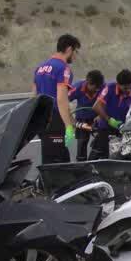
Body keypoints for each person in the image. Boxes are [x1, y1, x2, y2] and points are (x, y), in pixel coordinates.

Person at [33, 34, 80, 164]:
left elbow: (33, 96)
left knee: (52, 157)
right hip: (54, 119)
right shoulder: (63, 69)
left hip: (40, 119)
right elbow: (61, 99)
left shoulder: (40, 68)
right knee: (57, 162)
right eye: (76, 52)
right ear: (69, 49)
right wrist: (69, 126)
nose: (75, 56)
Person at [89, 69, 131, 160]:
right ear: (118, 84)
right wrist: (109, 120)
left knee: (123, 155)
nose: (128, 90)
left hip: (123, 129)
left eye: (130, 87)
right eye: (125, 88)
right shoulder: (110, 88)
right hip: (106, 127)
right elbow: (96, 106)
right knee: (100, 153)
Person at [68, 70, 105, 161]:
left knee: (102, 140)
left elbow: (108, 103)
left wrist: (100, 116)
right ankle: (81, 164)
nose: (97, 90)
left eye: (98, 88)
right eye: (95, 88)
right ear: (88, 83)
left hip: (97, 118)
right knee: (82, 142)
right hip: (82, 119)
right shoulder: (77, 87)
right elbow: (63, 103)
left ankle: (96, 160)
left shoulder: (103, 87)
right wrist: (74, 122)